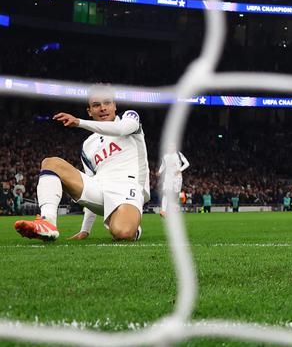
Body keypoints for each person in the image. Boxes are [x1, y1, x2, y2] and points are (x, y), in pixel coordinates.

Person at [14, 85, 149, 243]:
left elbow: (120, 129)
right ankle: (47, 222)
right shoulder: (87, 145)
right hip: (99, 189)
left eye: (107, 103)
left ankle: (130, 225)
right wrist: (85, 230)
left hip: (128, 187)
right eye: (96, 105)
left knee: (123, 233)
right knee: (51, 163)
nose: (103, 108)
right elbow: (91, 179)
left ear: (114, 105)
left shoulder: (129, 117)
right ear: (89, 111)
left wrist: (79, 122)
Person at [157, 149, 189, 217]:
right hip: (168, 178)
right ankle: (163, 211)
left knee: (176, 195)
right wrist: (159, 172)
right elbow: (163, 165)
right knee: (165, 193)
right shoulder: (165, 155)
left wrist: (180, 170)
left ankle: (182, 196)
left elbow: (187, 163)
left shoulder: (178, 154)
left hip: (177, 178)